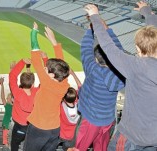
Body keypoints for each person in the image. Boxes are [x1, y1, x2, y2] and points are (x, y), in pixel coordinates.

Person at [84, 1, 157, 150]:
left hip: (132, 137)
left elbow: (109, 48)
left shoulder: (136, 67)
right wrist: (148, 13)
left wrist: (95, 17)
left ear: (137, 48)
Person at [75, 19, 125, 151]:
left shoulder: (91, 68)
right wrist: (108, 29)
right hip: (107, 120)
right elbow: (120, 54)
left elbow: (85, 47)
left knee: (80, 147)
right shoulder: (119, 76)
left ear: (96, 58)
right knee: (102, 147)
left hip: (90, 120)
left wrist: (91, 29)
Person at [23, 22, 70, 151]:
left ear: (52, 75)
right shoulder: (64, 82)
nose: (44, 68)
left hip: (39, 129)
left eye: (46, 69)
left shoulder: (47, 82)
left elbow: (35, 54)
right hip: (54, 130)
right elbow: (62, 64)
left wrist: (34, 32)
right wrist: (54, 42)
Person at [9, 58, 39, 151]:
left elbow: (12, 76)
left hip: (19, 127)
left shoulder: (17, 93)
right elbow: (48, 82)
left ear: (21, 83)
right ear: (33, 84)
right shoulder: (37, 92)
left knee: (14, 145)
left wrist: (22, 62)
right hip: (34, 127)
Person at [59, 69, 81, 151]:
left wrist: (64, 77)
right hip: (75, 137)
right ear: (75, 97)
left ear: (64, 98)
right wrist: (73, 74)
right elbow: (80, 87)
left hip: (63, 136)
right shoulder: (79, 105)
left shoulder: (60, 106)